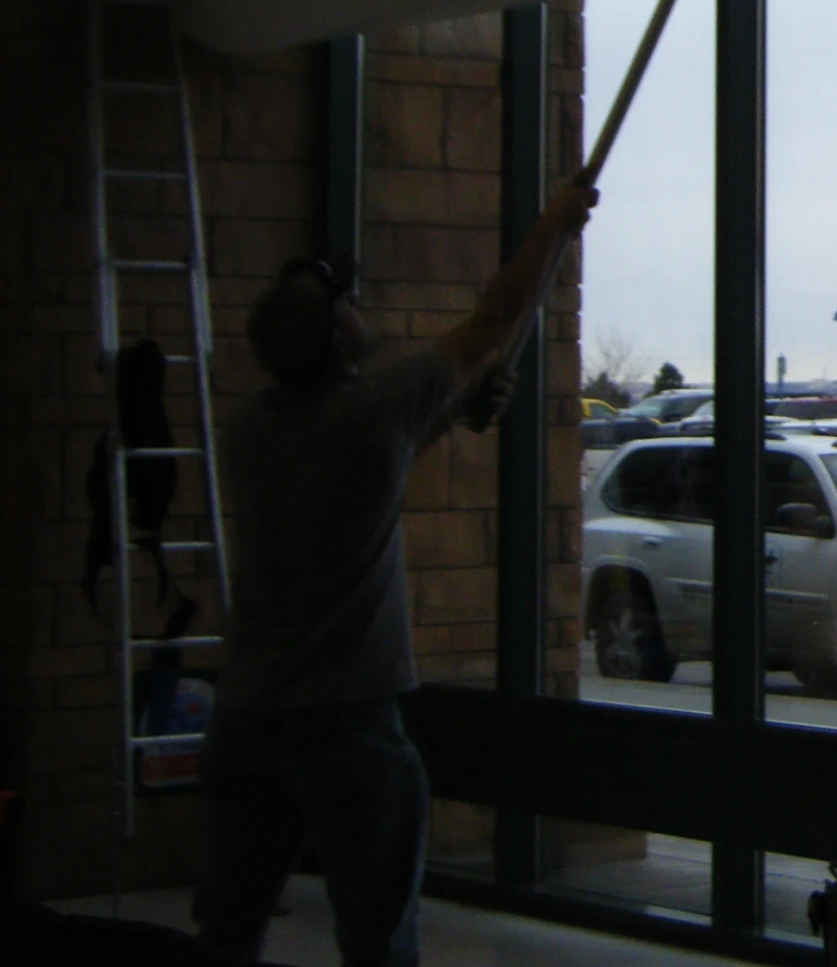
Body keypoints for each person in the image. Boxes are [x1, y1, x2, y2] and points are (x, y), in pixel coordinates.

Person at [193, 180, 597, 967]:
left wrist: (455, 410)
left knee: (227, 932)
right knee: (377, 938)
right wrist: (555, 224)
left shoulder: (251, 428)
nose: (357, 305)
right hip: (347, 725)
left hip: (245, 714)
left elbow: (373, 455)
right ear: (335, 340)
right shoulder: (378, 408)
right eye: (344, 301)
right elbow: (495, 320)